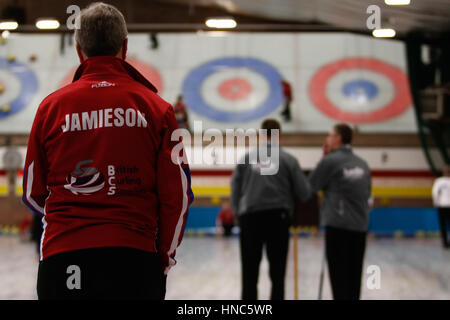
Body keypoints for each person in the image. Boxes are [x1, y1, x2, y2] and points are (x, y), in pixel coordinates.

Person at [22, 2, 193, 300]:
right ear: (125, 47)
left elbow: (31, 192)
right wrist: (162, 257)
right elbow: (177, 196)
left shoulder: (50, 109)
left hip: (63, 257)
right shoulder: (158, 109)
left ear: (78, 50)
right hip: (135, 258)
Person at [231, 119, 310, 300]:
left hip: (250, 218)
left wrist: (238, 215)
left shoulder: (246, 159)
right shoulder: (289, 160)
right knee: (278, 274)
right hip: (278, 219)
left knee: (249, 274)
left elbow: (235, 188)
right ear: (279, 135)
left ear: (260, 135)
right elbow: (304, 193)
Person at [308, 123, 371, 300]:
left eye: (329, 136)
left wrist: (323, 159)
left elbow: (311, 186)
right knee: (354, 278)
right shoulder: (363, 164)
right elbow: (367, 193)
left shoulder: (330, 161)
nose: (326, 139)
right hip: (359, 228)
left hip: (338, 227)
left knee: (339, 278)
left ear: (338, 139)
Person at [432, 164, 450, 248]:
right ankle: (446, 242)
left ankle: (445, 243)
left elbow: (434, 193)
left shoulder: (439, 181)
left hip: (442, 206)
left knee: (443, 225)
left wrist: (436, 203)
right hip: (448, 205)